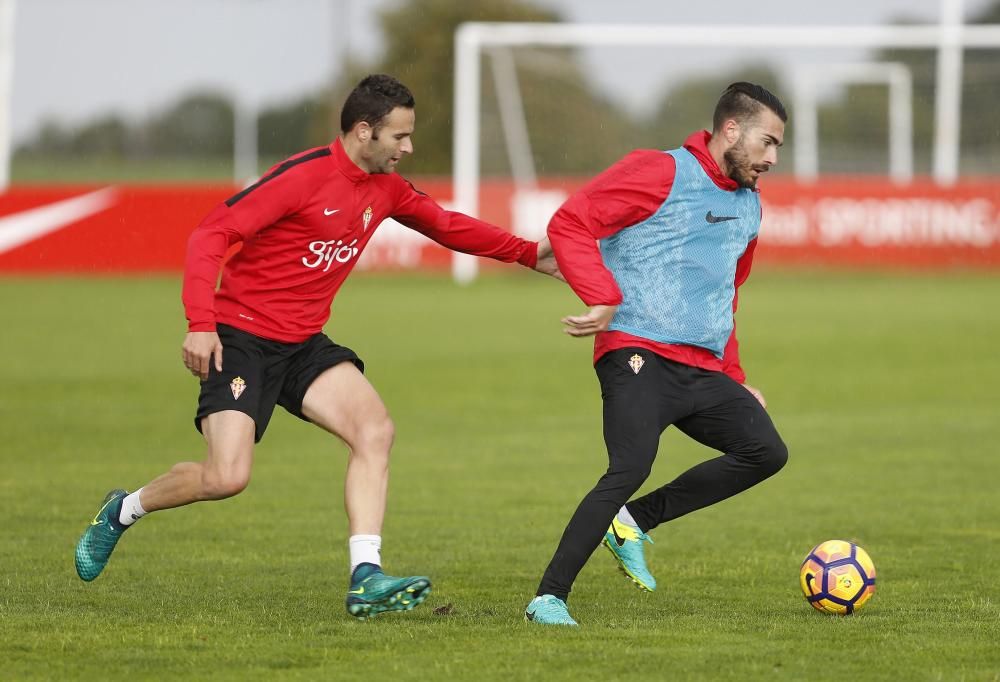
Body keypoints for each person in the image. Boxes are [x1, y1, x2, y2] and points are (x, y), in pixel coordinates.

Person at [74, 74, 559, 620]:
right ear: (363, 130)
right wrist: (200, 321)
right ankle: (124, 510)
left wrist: (526, 253)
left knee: (375, 430)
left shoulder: (389, 188)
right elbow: (210, 234)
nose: (409, 147)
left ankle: (365, 576)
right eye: (399, 136)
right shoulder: (301, 178)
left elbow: (446, 225)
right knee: (226, 477)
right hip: (240, 338)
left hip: (303, 343)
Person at [524, 82, 789, 626]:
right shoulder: (660, 171)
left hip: (702, 368)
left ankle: (633, 524)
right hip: (636, 350)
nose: (773, 158)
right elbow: (571, 221)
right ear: (731, 130)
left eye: (779, 147)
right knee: (630, 465)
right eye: (767, 142)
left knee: (766, 451)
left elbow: (726, 295)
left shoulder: (750, 206)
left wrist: (736, 377)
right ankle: (547, 599)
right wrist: (601, 295)